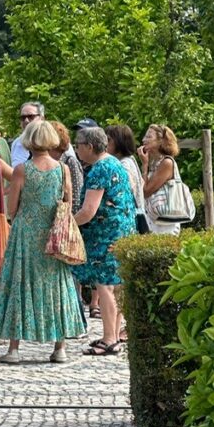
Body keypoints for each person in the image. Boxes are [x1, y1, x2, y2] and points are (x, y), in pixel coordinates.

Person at [0, 120, 85, 363]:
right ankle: (59, 347)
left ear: (30, 141)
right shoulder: (62, 169)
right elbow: (67, 202)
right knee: (57, 286)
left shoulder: (23, 169)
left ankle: (14, 348)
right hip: (53, 234)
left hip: (26, 234)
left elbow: (12, 207)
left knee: (20, 284)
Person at [72, 127, 136, 356]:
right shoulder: (115, 163)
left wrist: (66, 224)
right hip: (123, 231)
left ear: (89, 147)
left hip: (105, 235)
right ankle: (114, 335)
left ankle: (109, 339)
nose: (76, 149)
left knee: (106, 286)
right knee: (116, 285)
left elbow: (89, 210)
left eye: (78, 144)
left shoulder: (99, 169)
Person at [139, 124, 183, 236]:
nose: (144, 140)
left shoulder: (166, 163)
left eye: (149, 137)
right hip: (156, 219)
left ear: (161, 141)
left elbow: (146, 191)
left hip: (166, 223)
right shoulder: (155, 163)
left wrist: (144, 165)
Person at [106, 124, 148, 235]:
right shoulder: (130, 160)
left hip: (127, 219)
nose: (105, 143)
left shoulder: (124, 164)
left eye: (109, 140)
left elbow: (123, 192)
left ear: (119, 142)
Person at [9, 101, 45, 168]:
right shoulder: (16, 143)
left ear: (42, 119)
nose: (26, 120)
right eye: (23, 117)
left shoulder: (53, 143)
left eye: (31, 117)